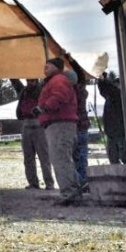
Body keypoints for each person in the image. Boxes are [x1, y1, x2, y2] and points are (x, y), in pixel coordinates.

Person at [33, 57, 82, 206]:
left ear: (57, 67)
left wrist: (43, 107)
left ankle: (69, 193)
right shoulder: (57, 80)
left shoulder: (58, 80)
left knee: (60, 158)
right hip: (60, 123)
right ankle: (73, 190)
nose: (45, 67)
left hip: (59, 123)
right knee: (63, 157)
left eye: (49, 65)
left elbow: (60, 96)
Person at [10, 78, 54, 190]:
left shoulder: (40, 90)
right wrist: (10, 74)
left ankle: (49, 183)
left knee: (43, 156)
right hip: (26, 124)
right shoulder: (24, 91)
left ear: (36, 81)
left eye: (32, 80)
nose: (30, 83)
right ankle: (33, 183)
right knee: (28, 157)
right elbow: (16, 83)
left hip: (38, 124)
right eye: (28, 81)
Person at [65, 54, 90, 190]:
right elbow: (80, 75)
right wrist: (71, 60)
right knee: (82, 156)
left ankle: (77, 183)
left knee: (71, 157)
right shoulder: (81, 90)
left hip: (71, 127)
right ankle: (84, 182)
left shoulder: (67, 93)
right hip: (83, 126)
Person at [97, 73, 126, 164]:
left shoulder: (119, 95)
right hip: (112, 132)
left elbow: (109, 89)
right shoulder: (111, 97)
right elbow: (104, 90)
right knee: (114, 158)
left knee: (123, 158)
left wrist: (102, 79)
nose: (117, 85)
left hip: (119, 132)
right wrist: (101, 80)